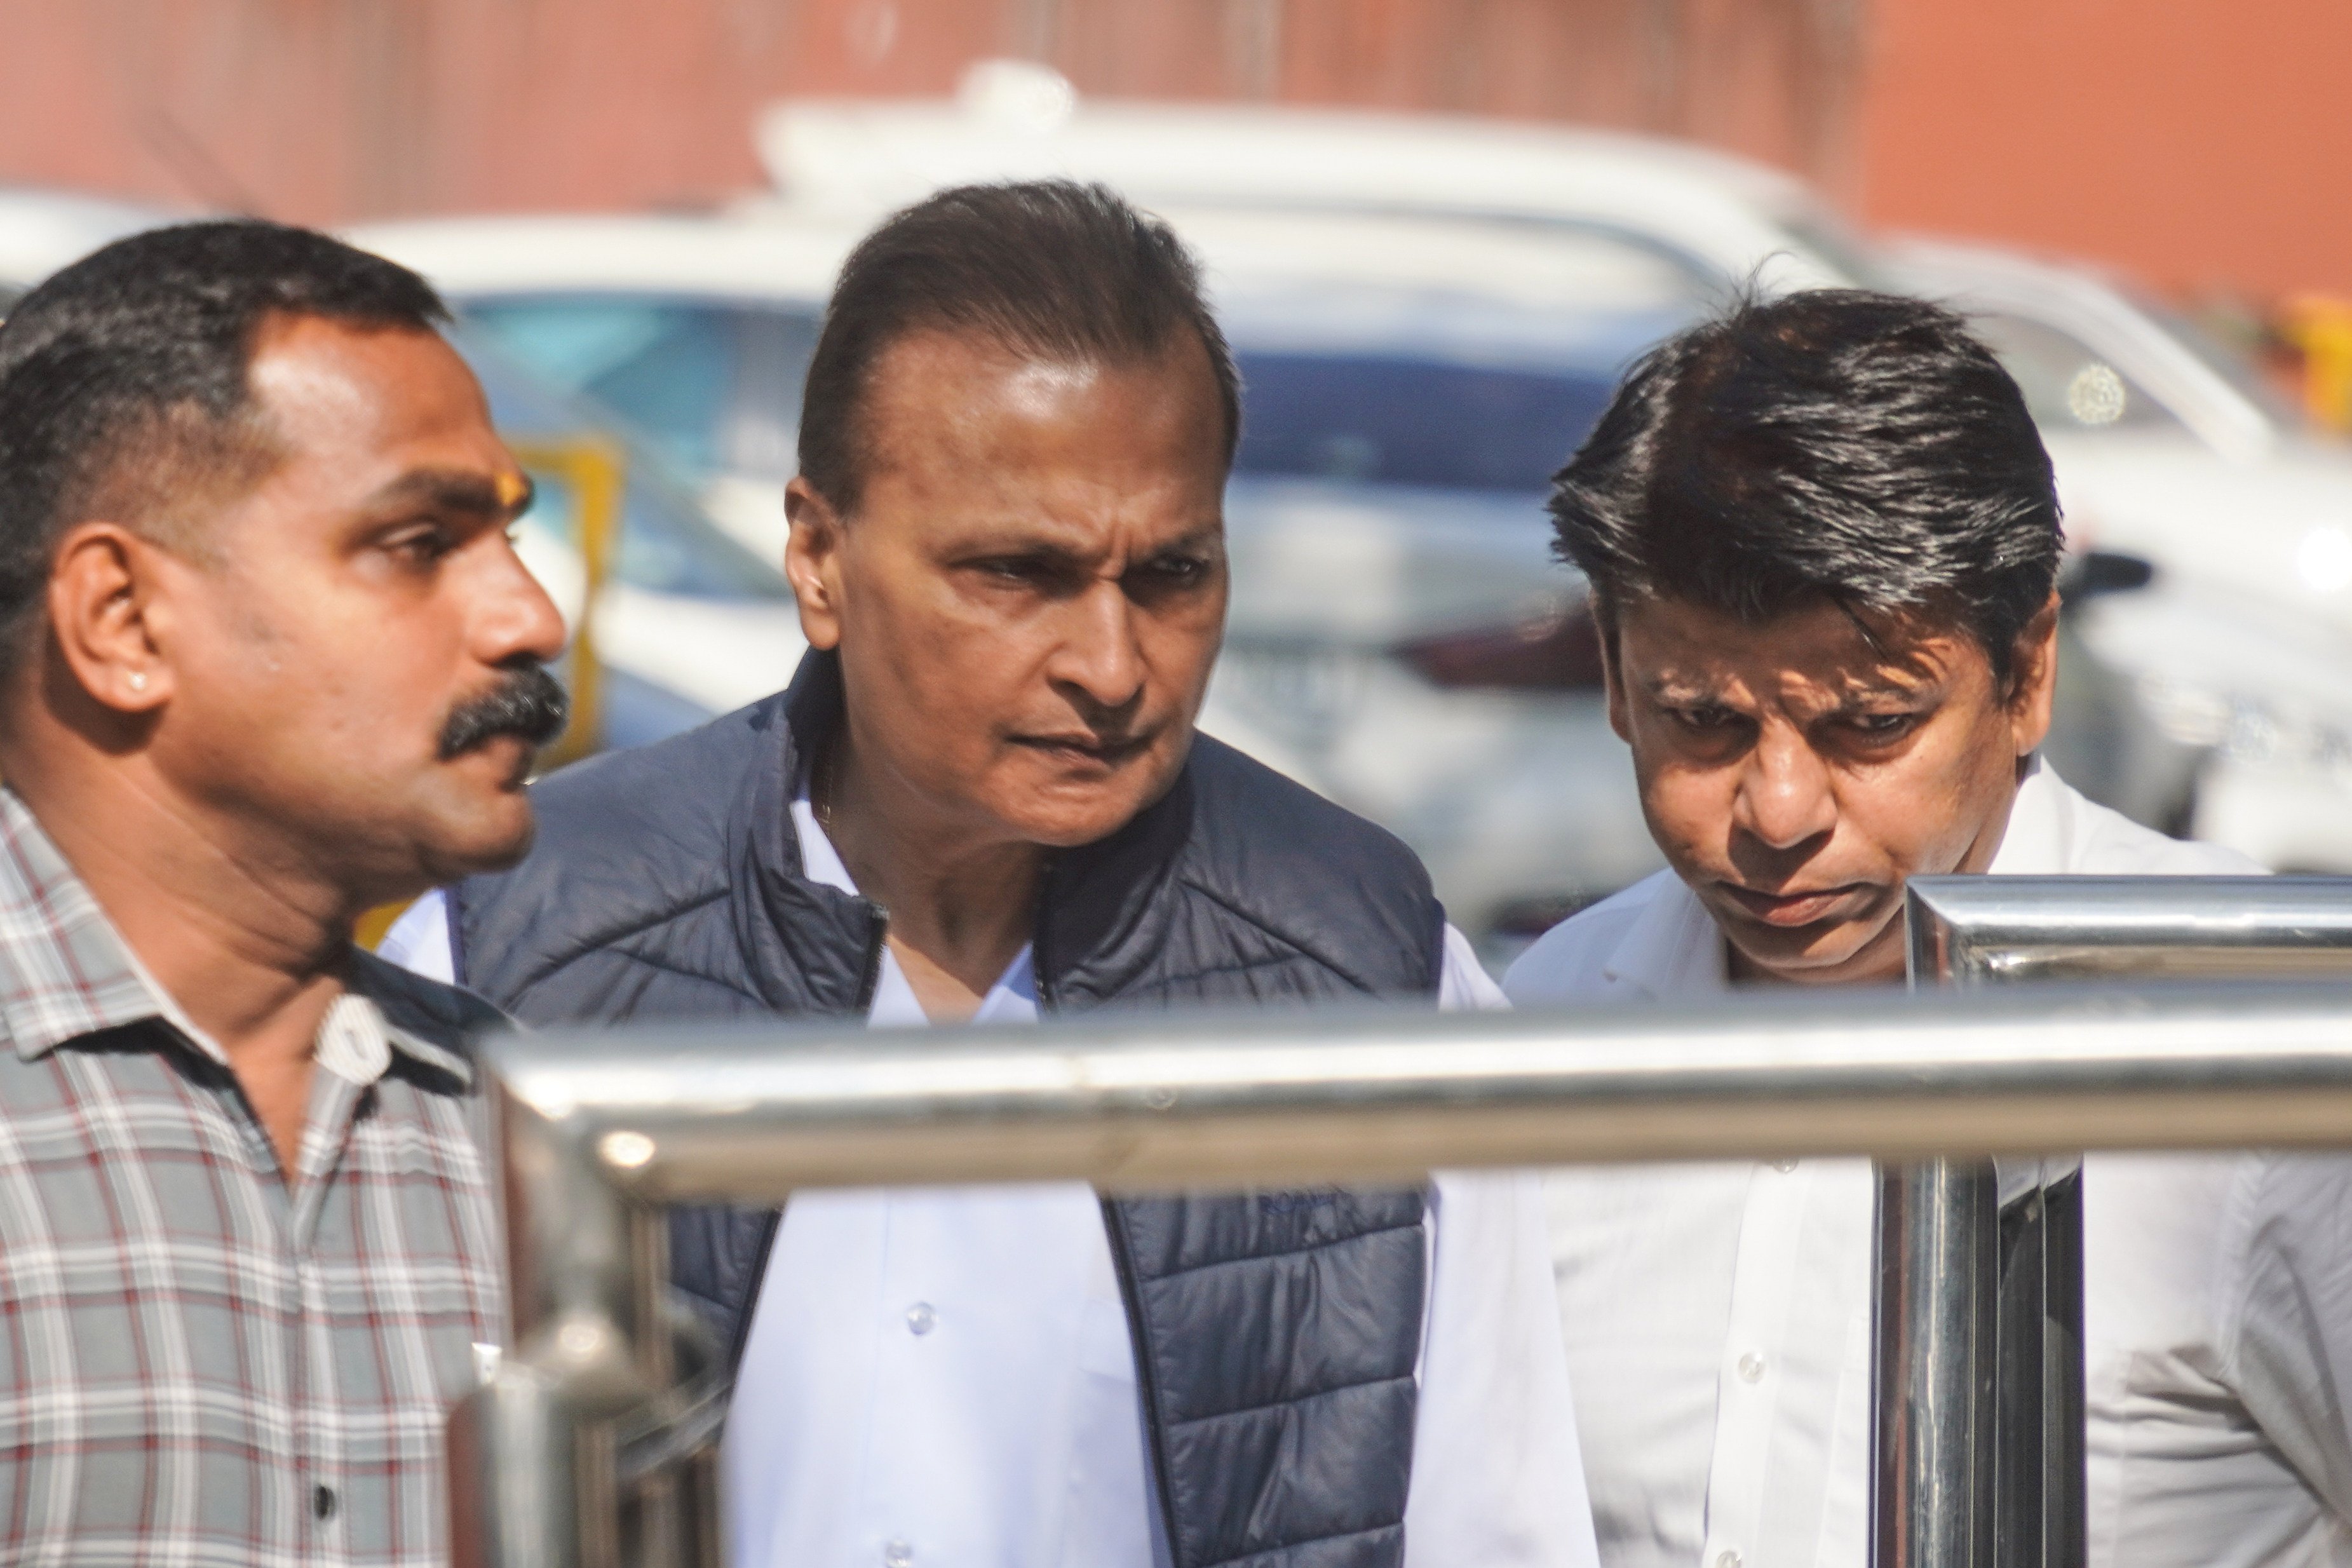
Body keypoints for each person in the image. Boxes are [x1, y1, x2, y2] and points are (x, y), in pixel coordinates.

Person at [381, 180, 1593, 1568]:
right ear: (820, 557)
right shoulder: (507, 952)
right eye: (1017, 571)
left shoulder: (1372, 975)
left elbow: (1495, 1526)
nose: (1113, 664)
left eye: (1173, 575)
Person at [1503, 290, 2346, 1568]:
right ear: (1617, 681)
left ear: (2029, 673)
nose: (1779, 810)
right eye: (1704, 721)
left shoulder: (2256, 1060)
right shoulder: (1534, 1038)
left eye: (1870, 724)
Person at [0, 222, 569, 1563]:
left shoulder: (521, 1134)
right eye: (419, 541)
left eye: (505, 537)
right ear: (125, 623)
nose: (530, 617)